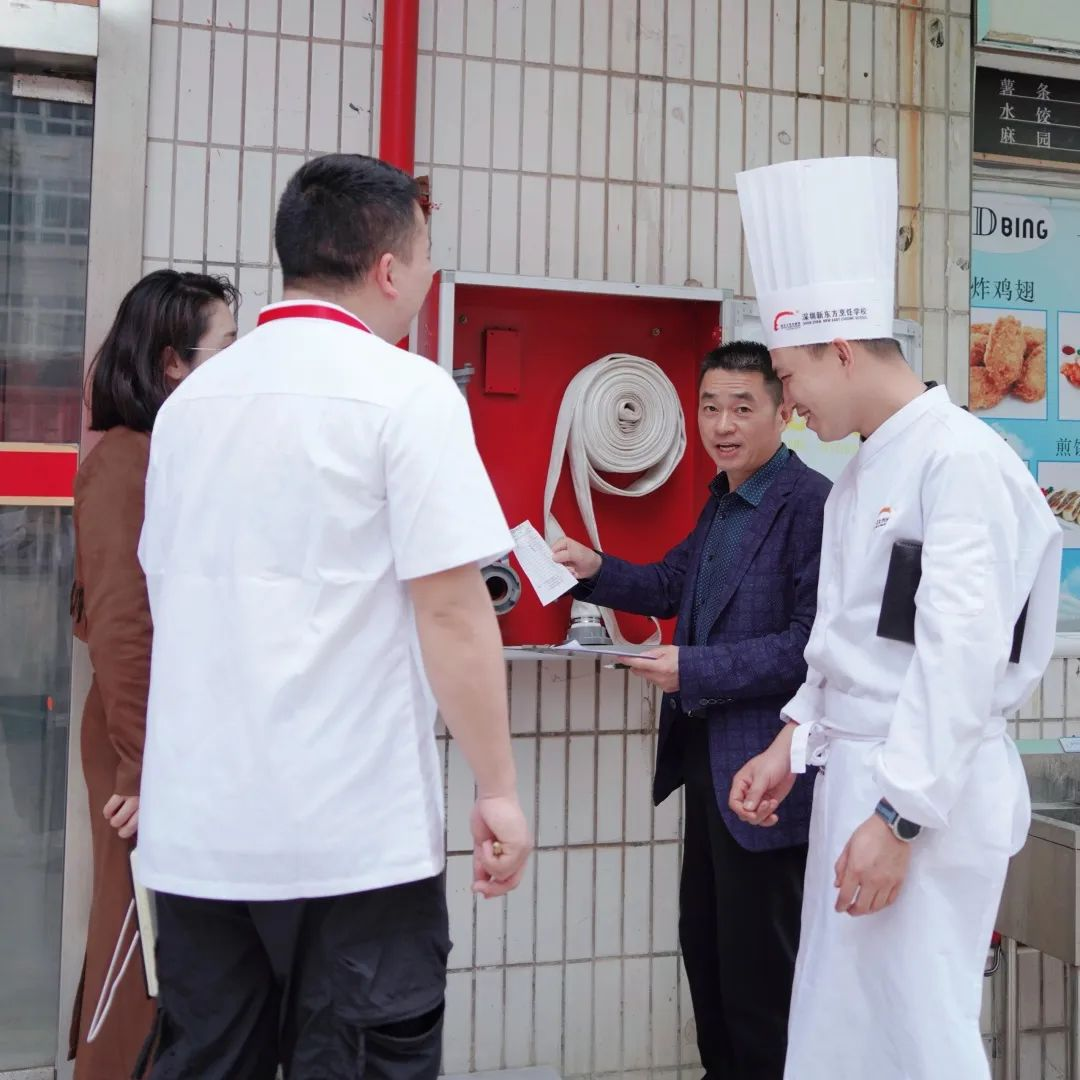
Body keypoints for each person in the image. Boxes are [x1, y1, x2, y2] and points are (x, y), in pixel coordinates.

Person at [135, 153, 532, 1079]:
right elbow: (452, 608)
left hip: (200, 833)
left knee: (207, 1061)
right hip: (355, 836)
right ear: (389, 269)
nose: (429, 280)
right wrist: (498, 786)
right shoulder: (407, 391)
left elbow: (170, 592)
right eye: (426, 259)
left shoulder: (191, 406)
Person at [728, 156, 1062, 1080]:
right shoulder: (863, 474)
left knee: (915, 1037)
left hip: (924, 799)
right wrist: (793, 742)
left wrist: (900, 817)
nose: (786, 404)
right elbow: (855, 642)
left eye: (789, 377)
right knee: (847, 1035)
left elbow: (954, 659)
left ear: (841, 350)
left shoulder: (959, 464)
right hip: (864, 787)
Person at [552, 341, 831, 1080]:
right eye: (710, 407)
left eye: (743, 407)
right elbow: (675, 582)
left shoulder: (810, 504)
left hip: (768, 776)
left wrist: (693, 667)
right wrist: (593, 570)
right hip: (711, 767)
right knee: (704, 946)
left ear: (783, 410)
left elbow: (809, 647)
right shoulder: (725, 497)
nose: (723, 424)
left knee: (758, 978)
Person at [68, 269, 238, 1079]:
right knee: (134, 956)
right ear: (174, 362)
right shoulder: (127, 461)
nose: (237, 366)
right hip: (141, 735)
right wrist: (142, 764)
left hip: (170, 735)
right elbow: (122, 626)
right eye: (226, 347)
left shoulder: (168, 452)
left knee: (168, 952)